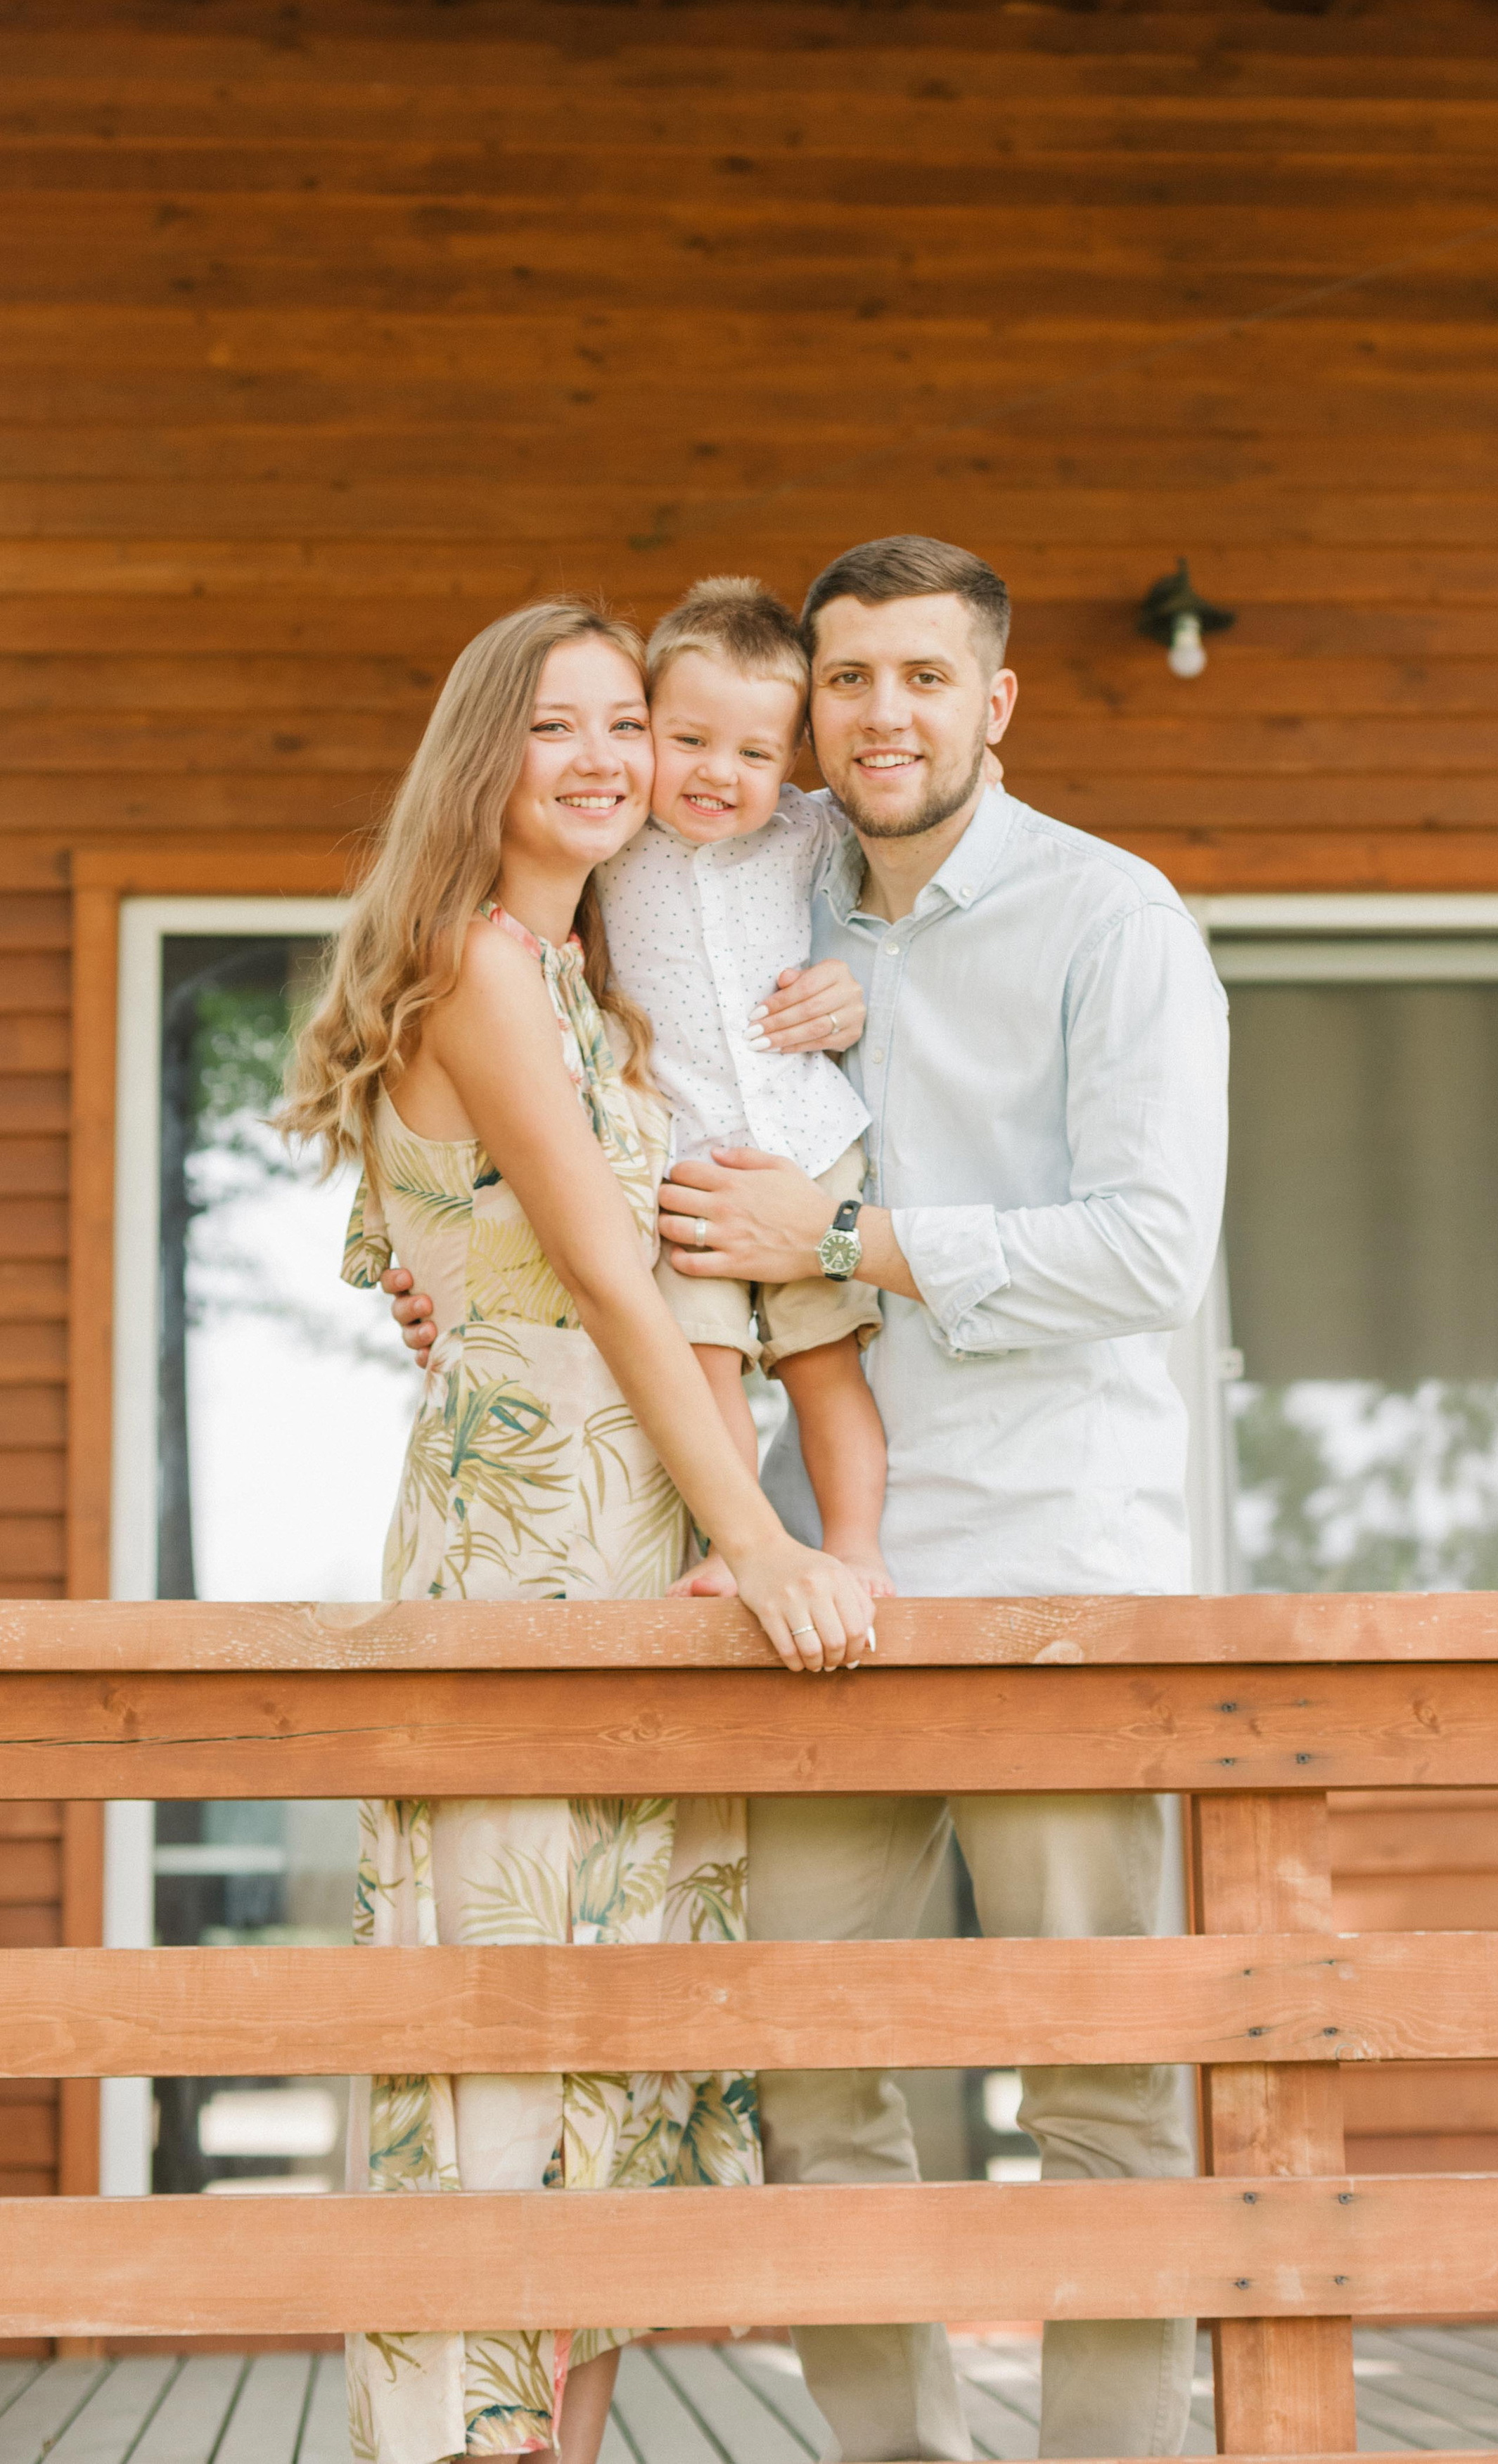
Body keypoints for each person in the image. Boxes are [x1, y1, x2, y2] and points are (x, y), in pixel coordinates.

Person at [385, 539, 1229, 2460]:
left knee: (1095, 2088)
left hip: (1039, 1568)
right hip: (795, 1599)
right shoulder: (753, 878)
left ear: (997, 698)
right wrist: (426, 1264)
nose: (879, 718)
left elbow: (1154, 1253)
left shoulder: (1109, 914)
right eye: (849, 685)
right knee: (818, 2076)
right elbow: (551, 1132)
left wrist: (843, 1230)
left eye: (923, 680)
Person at [281, 596, 875, 2464]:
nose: (615, 756)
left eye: (635, 721)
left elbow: (441, 1246)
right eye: (565, 726)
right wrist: (768, 1540)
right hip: (539, 1536)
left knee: (624, 2031)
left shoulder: (595, 992)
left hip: (644, 1526)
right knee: (512, 2018)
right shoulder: (481, 961)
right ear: (488, 755)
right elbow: (610, 1281)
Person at [598, 575, 888, 1587]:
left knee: (826, 1360)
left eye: (756, 753)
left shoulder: (810, 832)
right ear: (646, 730)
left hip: (812, 1149)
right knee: (701, 1358)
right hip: (686, 1163)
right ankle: (737, 1542)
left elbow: (919, 825)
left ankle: (856, 1549)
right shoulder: (608, 847)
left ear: (793, 760)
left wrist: (851, 990)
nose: (721, 773)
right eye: (691, 741)